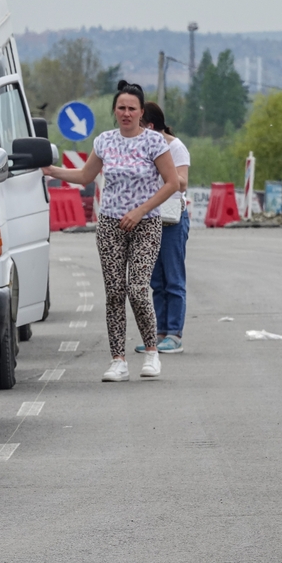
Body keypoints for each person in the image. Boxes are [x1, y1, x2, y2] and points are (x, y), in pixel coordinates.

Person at [42, 81, 179, 381]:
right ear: (114, 111)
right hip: (110, 225)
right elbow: (84, 175)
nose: (126, 113)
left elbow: (172, 183)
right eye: (121, 108)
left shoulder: (154, 143)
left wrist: (141, 210)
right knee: (115, 292)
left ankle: (152, 352)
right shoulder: (104, 141)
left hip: (146, 223)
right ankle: (118, 360)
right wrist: (51, 171)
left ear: (142, 112)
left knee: (138, 289)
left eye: (132, 108)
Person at [137, 102, 190, 354]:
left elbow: (182, 183)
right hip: (149, 218)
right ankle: (158, 333)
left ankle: (174, 334)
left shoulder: (175, 147)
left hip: (172, 220)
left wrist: (164, 162)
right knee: (156, 280)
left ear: (150, 126)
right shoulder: (141, 145)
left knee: (173, 279)